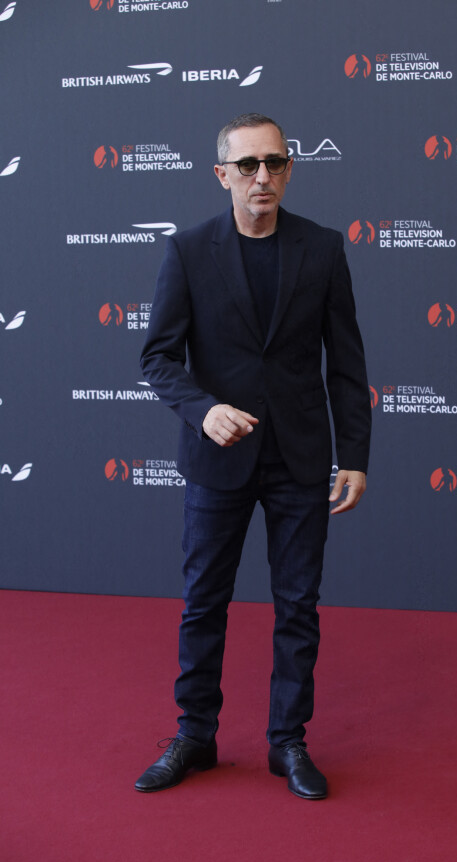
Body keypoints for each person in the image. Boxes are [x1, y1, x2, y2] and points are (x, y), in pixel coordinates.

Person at [136, 113, 371, 800]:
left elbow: (347, 364)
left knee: (298, 606)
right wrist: (203, 408)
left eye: (274, 162)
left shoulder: (323, 249)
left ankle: (288, 743)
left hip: (301, 458)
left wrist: (354, 452)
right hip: (217, 460)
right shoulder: (186, 251)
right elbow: (158, 357)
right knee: (203, 602)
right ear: (223, 175)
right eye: (247, 165)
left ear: (289, 168)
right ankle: (194, 735)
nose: (261, 176)